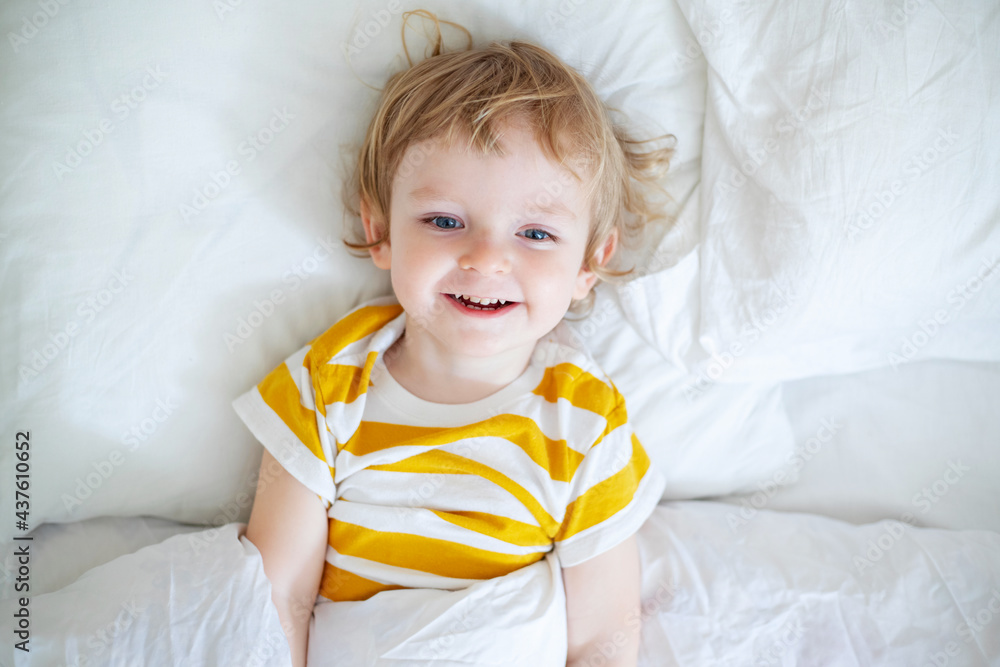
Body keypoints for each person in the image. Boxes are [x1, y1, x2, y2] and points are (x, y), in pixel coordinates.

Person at [234, 12, 674, 667]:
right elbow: (278, 598)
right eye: (445, 220)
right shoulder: (325, 388)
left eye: (535, 234)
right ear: (379, 228)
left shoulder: (584, 420)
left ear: (589, 263)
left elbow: (602, 634)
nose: (486, 258)